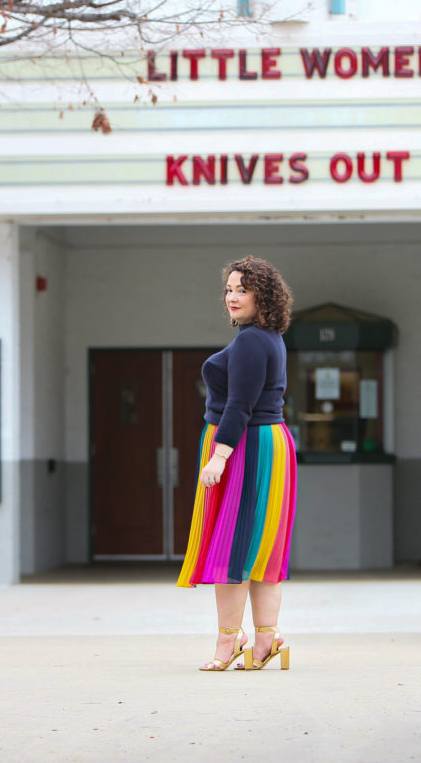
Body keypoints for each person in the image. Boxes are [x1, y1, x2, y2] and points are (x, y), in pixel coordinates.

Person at [177, 255, 296, 672]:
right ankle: (266, 640)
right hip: (270, 443)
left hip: (246, 445)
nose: (231, 296)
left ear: (262, 295)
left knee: (231, 548)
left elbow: (238, 406)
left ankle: (229, 642)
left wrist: (219, 455)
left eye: (241, 289)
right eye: (229, 288)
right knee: (262, 550)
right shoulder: (270, 338)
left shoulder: (250, 341)